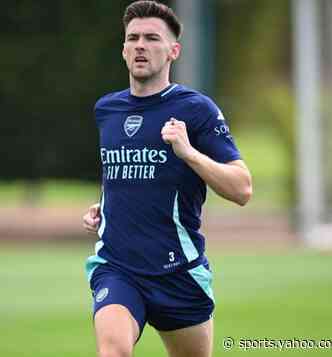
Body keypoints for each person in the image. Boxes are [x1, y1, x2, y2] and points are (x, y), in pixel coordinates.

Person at [83, 1, 252, 356]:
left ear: (173, 50)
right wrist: (105, 206)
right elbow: (124, 174)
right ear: (124, 50)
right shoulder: (106, 110)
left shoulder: (196, 109)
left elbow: (242, 189)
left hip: (179, 272)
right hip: (118, 267)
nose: (140, 45)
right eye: (133, 38)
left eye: (151, 38)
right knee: (113, 351)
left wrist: (189, 153)